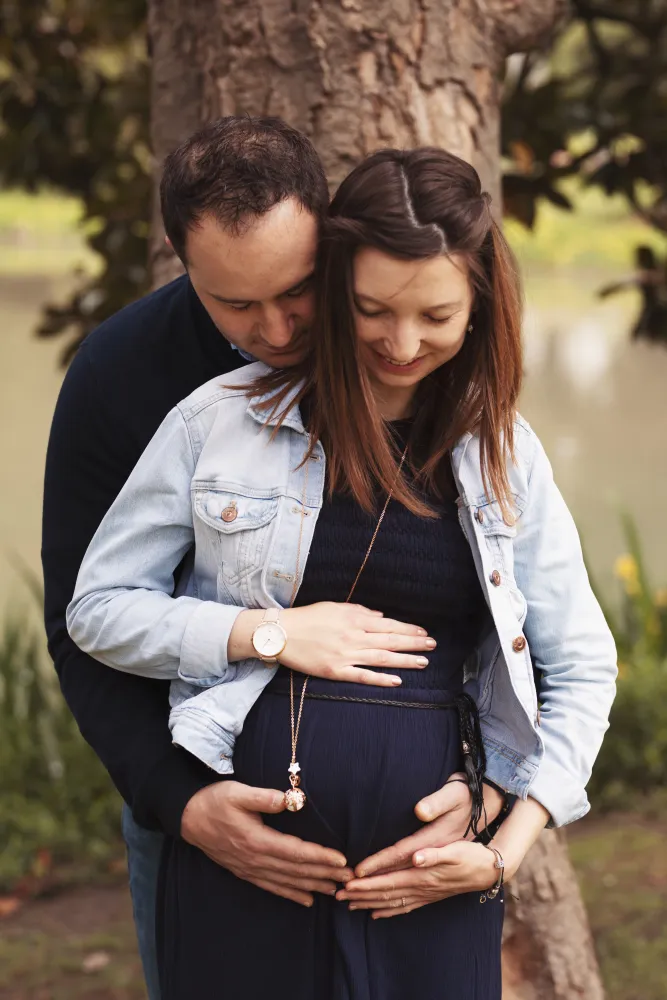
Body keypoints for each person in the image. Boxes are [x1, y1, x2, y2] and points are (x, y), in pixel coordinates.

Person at [66, 145, 617, 999]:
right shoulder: (221, 422)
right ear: (339, 288)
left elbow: (580, 663)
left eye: (435, 315)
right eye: (371, 310)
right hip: (244, 870)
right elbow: (98, 609)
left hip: (430, 880)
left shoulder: (503, 455)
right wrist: (270, 634)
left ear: (479, 308)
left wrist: (501, 848)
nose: (402, 342)